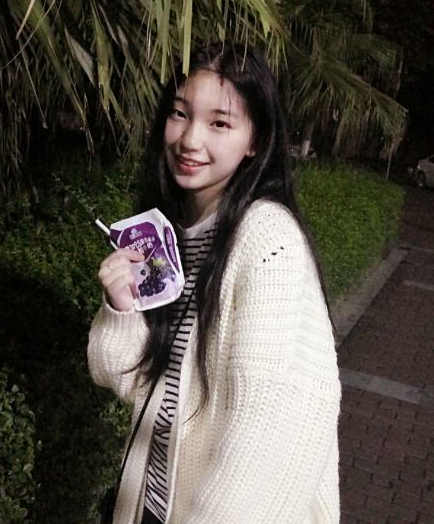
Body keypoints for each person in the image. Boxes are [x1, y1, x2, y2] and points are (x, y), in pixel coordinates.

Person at [88, 41, 341, 524]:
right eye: (180, 114)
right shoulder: (175, 232)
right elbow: (130, 383)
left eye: (219, 123)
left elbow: (269, 435)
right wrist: (121, 308)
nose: (190, 139)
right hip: (155, 506)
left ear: (255, 141)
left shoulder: (268, 242)